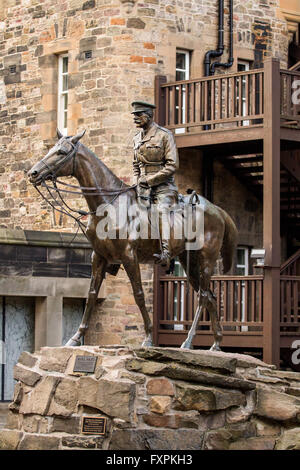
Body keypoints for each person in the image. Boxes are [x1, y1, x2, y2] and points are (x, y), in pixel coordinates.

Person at [131, 100, 179, 269]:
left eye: (139, 115)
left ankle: (166, 252)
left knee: (161, 210)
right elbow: (136, 165)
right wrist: (138, 181)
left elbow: (172, 166)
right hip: (142, 187)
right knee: (121, 209)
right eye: (134, 116)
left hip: (163, 187)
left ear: (149, 116)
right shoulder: (136, 138)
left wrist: (150, 180)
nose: (135, 118)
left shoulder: (164, 135)